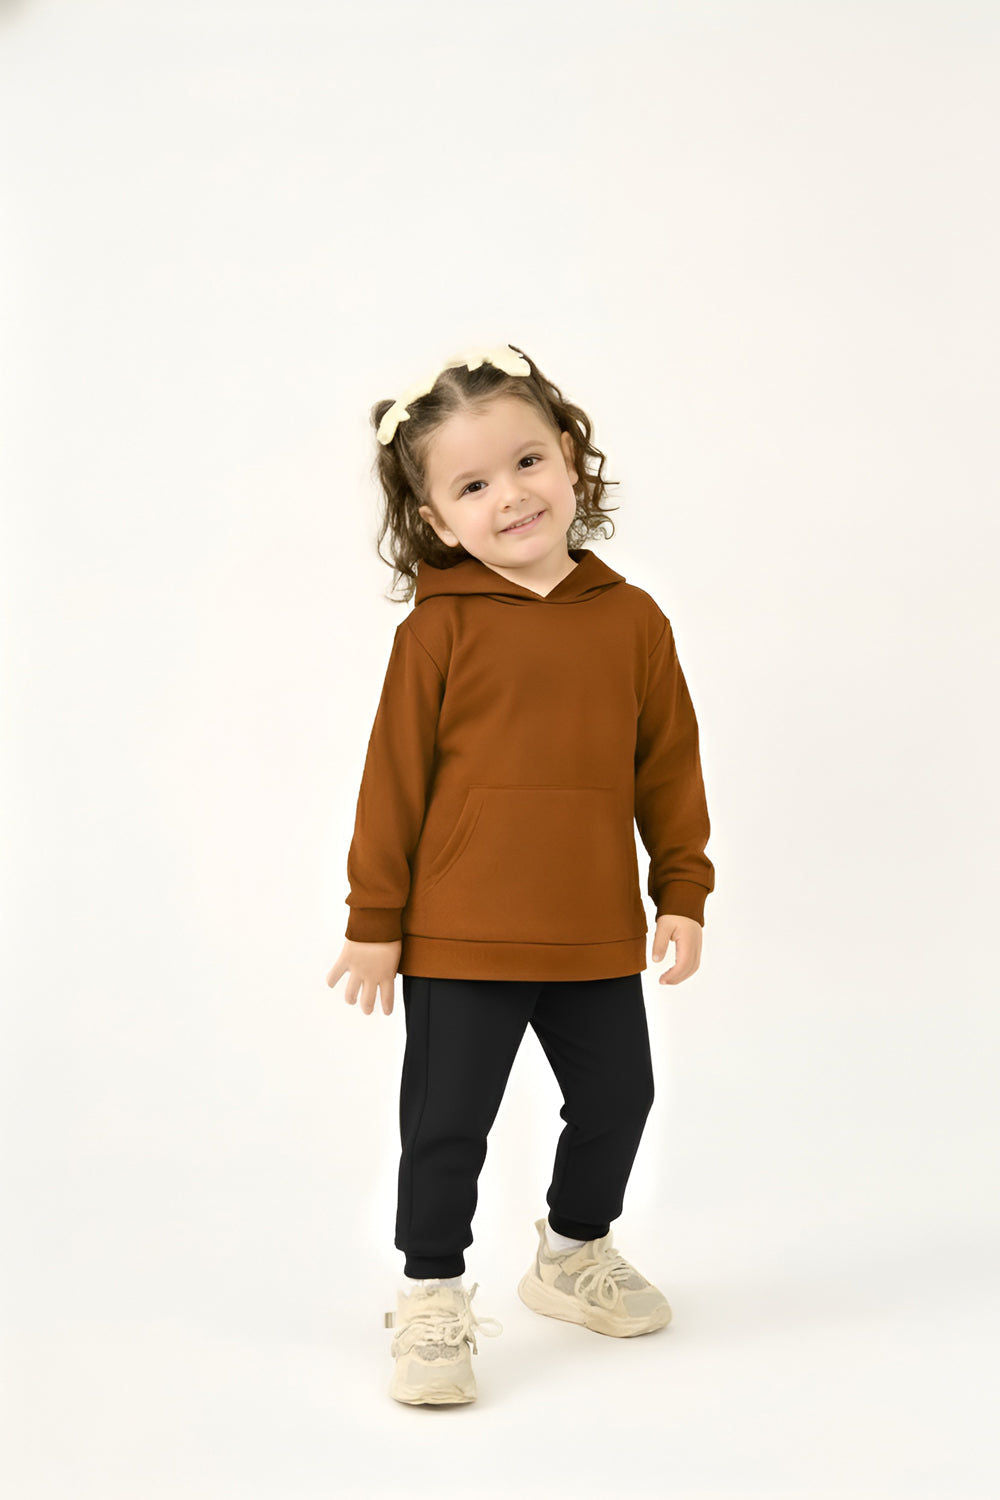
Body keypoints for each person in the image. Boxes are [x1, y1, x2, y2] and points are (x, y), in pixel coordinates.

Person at [325, 341, 716, 1406]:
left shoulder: (633, 620)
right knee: (446, 1126)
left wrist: (681, 890)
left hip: (593, 931)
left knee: (621, 1099)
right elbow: (391, 783)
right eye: (472, 485)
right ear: (436, 520)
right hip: (459, 937)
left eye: (528, 462)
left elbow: (668, 766)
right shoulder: (437, 632)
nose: (510, 495)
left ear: (571, 460)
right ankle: (431, 1296)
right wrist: (375, 921)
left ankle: (572, 1252)